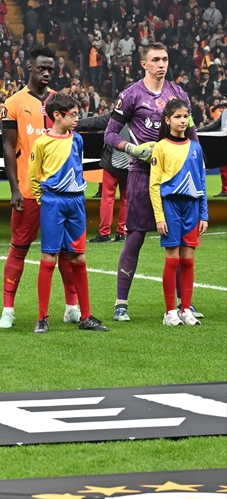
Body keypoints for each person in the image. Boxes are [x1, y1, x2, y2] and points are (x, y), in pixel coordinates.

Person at [104, 44, 199, 321]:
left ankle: (183, 303)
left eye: (165, 59)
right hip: (142, 174)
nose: (161, 64)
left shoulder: (178, 93)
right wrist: (132, 149)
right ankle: (121, 303)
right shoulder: (131, 95)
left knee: (180, 240)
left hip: (176, 177)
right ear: (143, 63)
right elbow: (110, 134)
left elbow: (192, 132)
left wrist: (197, 161)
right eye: (155, 59)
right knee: (135, 237)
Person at [0, 46, 80, 328]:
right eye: (41, 68)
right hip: (29, 190)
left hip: (62, 192)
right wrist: (14, 188)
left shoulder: (61, 101)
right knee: (19, 248)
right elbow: (8, 147)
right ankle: (8, 310)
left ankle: (72, 307)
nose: (46, 73)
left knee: (66, 251)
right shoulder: (13, 103)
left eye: (50, 69)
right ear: (29, 67)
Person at [28, 93, 107, 334]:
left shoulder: (77, 139)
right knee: (49, 258)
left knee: (79, 258)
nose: (77, 119)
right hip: (53, 202)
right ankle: (43, 317)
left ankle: (86, 316)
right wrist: (44, 200)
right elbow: (33, 175)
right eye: (73, 115)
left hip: (76, 203)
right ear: (57, 116)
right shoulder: (41, 143)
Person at [150, 99, 208, 327]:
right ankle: (169, 312)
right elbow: (154, 185)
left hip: (192, 208)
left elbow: (202, 182)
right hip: (171, 207)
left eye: (186, 116)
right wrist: (159, 216)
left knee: (188, 260)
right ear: (167, 120)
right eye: (177, 117)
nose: (183, 120)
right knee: (172, 258)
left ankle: (186, 309)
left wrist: (204, 214)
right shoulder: (161, 147)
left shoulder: (196, 147)